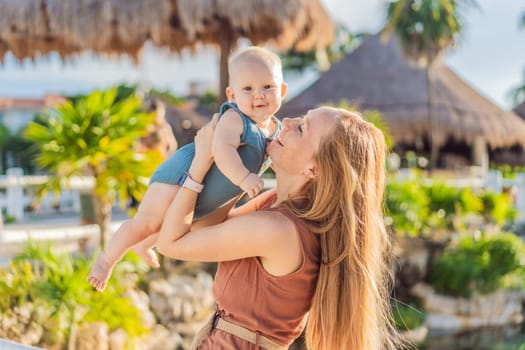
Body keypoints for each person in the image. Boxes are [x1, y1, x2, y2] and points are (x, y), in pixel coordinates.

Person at [156, 107, 404, 349]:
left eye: (302, 128)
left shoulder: (279, 230)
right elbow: (203, 228)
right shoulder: (275, 205)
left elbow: (172, 243)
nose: (286, 121)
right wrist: (241, 170)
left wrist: (201, 162)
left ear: (313, 169)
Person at [87, 46, 287, 292]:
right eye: (248, 89)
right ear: (232, 95)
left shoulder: (276, 130)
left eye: (268, 86)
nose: (259, 95)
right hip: (179, 175)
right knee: (149, 221)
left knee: (169, 223)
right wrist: (244, 178)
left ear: (283, 90)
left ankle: (144, 245)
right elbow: (223, 151)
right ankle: (106, 260)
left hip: (204, 191)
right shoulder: (235, 119)